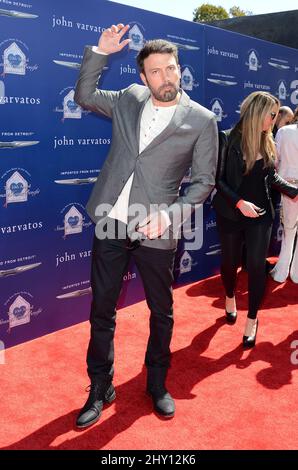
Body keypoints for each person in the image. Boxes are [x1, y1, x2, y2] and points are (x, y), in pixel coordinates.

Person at [74, 23, 218, 428]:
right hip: (111, 224)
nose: (165, 77)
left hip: (157, 229)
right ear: (143, 76)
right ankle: (100, 385)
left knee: (161, 311)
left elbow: (204, 182)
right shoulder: (128, 98)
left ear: (180, 69)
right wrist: (99, 53)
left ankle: (156, 383)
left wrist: (170, 214)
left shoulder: (202, 120)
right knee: (102, 309)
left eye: (171, 68)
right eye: (155, 71)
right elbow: (83, 96)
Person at [212, 91, 298, 349]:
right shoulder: (227, 138)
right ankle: (229, 297)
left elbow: (270, 176)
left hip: (261, 214)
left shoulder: (268, 140)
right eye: (271, 114)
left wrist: (294, 190)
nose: (275, 119)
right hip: (231, 212)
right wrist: (239, 202)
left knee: (257, 267)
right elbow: (217, 179)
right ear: (257, 112)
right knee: (229, 265)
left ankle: (252, 320)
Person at [270, 107, 298, 283]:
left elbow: (275, 160)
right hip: (289, 187)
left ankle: (281, 273)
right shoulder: (285, 131)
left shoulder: (284, 131)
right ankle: (296, 275)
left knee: (288, 230)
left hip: (288, 187)